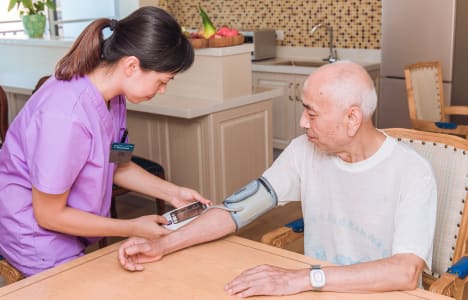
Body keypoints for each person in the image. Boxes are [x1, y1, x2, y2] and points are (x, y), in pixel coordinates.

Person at [117, 61, 437, 297]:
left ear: (352, 118)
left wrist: (303, 278)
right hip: (320, 289)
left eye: (311, 114)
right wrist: (163, 245)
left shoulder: (412, 171)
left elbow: (405, 272)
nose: (301, 122)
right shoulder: (303, 151)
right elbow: (235, 209)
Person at [0, 6, 210, 277]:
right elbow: (49, 215)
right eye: (162, 81)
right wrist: (132, 227)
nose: (162, 90)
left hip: (67, 230)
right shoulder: (65, 116)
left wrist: (173, 193)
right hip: (33, 235)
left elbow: (119, 163)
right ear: (131, 65)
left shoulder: (114, 97)